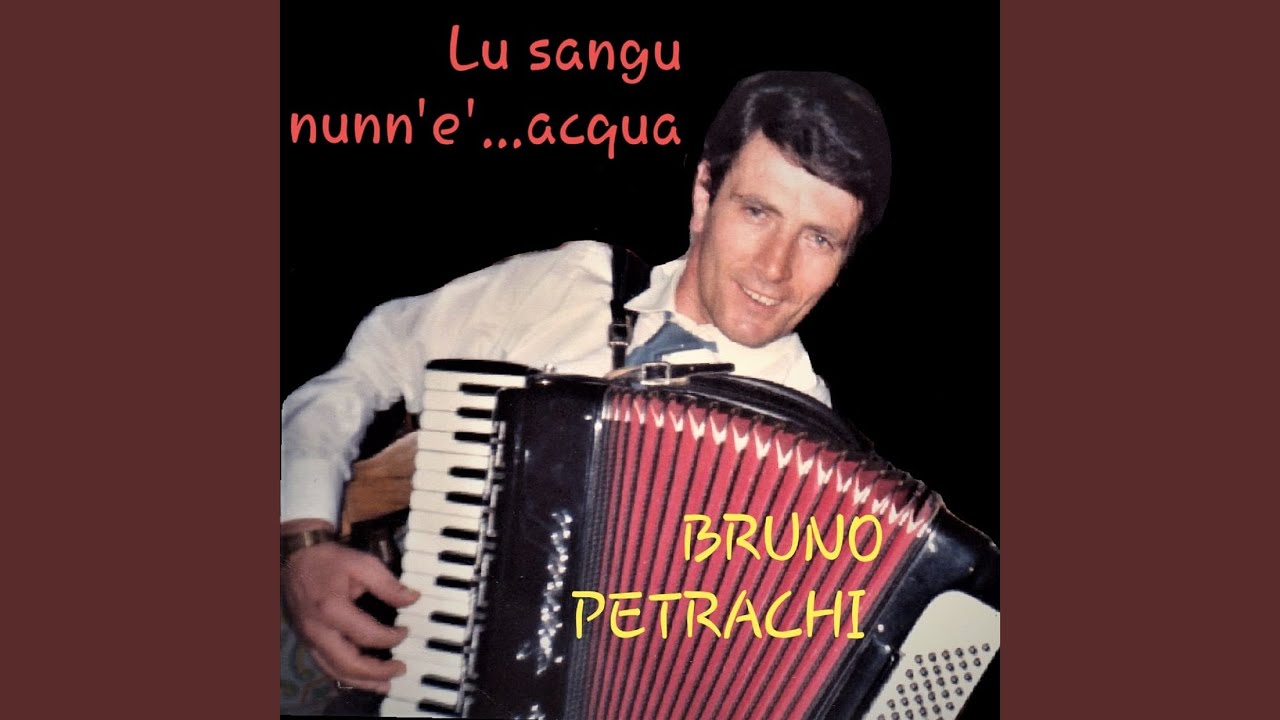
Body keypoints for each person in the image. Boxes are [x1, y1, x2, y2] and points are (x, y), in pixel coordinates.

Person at [280, 70, 892, 701]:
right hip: (396, 658)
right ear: (704, 194)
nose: (775, 268)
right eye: (757, 212)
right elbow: (371, 365)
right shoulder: (575, 284)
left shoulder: (818, 460)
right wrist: (304, 540)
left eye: (819, 239)